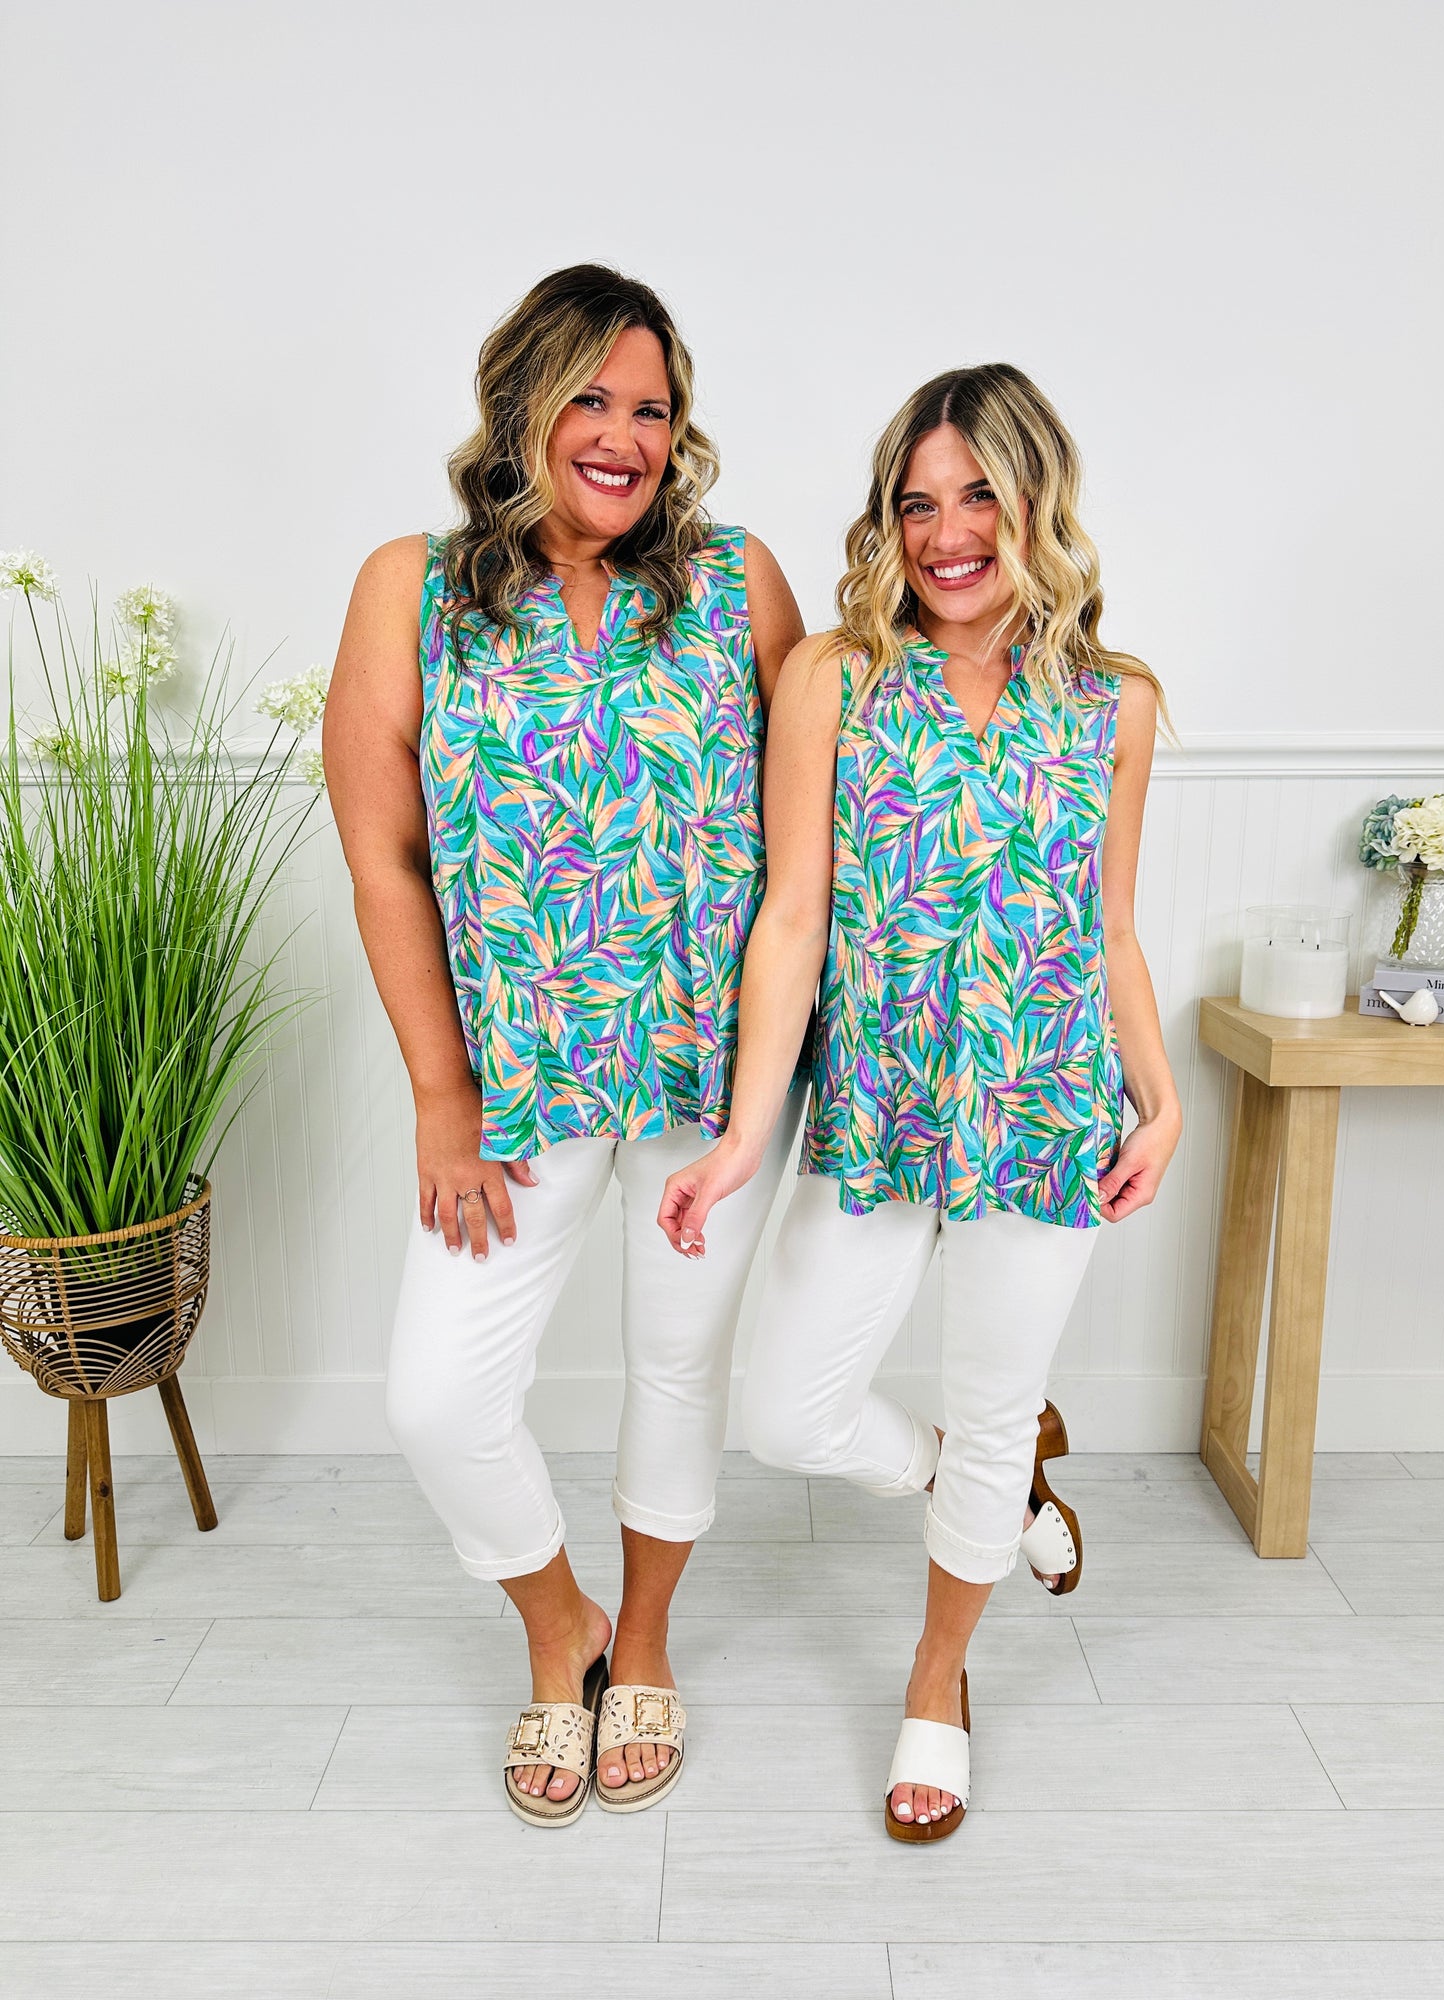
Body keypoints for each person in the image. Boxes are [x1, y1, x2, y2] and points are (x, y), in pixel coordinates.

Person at [658, 362, 1179, 1842]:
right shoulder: (834, 678)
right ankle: (984, 1487)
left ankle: (938, 1677)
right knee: (787, 1413)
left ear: (1038, 505)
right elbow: (791, 919)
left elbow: (1109, 928)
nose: (948, 535)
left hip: (1048, 1111)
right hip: (878, 1112)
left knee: (999, 1395)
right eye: (917, 503)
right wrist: (746, 1134)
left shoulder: (1116, 704)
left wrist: (1161, 1103)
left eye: (980, 498)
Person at [324, 264, 805, 1827]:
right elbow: (385, 856)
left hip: (708, 1081)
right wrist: (438, 1095)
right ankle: (560, 1626)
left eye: (652, 408)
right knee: (437, 1398)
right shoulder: (409, 589)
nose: (623, 436)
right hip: (514, 1087)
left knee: (678, 1363)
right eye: (589, 398)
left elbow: (815, 844)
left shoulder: (736, 583)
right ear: (519, 402)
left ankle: (644, 1639)